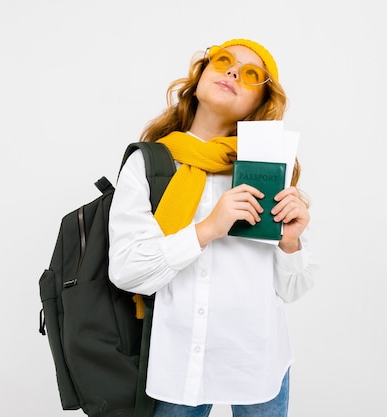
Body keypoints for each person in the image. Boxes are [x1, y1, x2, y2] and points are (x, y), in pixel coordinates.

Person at [108, 38, 317, 417]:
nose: (234, 72)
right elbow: (126, 271)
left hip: (258, 361)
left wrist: (291, 243)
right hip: (179, 360)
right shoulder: (151, 164)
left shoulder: (267, 168)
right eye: (224, 61)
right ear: (202, 73)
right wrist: (206, 229)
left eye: (251, 74)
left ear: (261, 102)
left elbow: (293, 288)